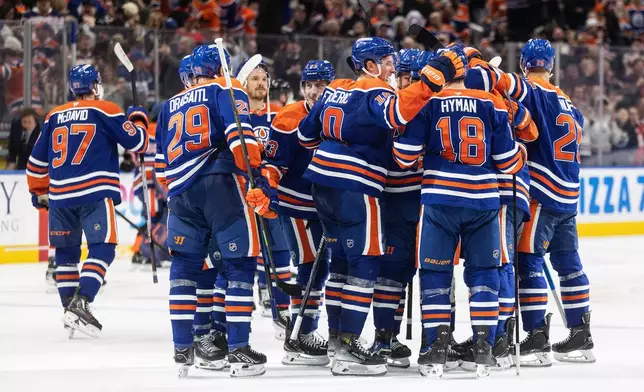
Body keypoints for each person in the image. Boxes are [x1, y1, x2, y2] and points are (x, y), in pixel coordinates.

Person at [292, 37, 465, 376]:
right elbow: (399, 111)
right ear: (371, 66)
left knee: (343, 262)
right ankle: (356, 342)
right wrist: (435, 74)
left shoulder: (335, 92)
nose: (394, 72)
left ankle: (341, 341)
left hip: (327, 184)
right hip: (363, 187)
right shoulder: (381, 93)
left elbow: (304, 136)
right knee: (370, 263)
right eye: (390, 65)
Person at [393, 45, 527, 378]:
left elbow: (404, 156)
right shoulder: (492, 102)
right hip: (484, 201)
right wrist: (521, 152)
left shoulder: (428, 103)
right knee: (484, 273)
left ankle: (437, 346)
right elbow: (508, 162)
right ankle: (483, 346)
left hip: (440, 201)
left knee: (435, 274)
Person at [154, 44, 273, 378]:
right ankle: (237, 349)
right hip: (220, 184)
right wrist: (258, 179)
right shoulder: (227, 87)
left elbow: (162, 164)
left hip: (180, 193)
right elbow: (241, 138)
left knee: (184, 268)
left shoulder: (167, 105)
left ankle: (182, 348)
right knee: (239, 264)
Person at [26, 64, 149, 338]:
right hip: (94, 192)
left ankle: (69, 310)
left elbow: (35, 162)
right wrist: (138, 118)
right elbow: (138, 143)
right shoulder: (106, 108)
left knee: (66, 255)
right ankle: (82, 303)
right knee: (103, 249)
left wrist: (38, 191)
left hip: (60, 196)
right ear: (96, 86)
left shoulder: (53, 115)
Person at [496, 39, 595, 366]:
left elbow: (500, 82)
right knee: (569, 264)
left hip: (541, 192)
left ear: (525, 64)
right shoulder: (571, 105)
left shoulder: (530, 89)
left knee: (528, 260)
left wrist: (487, 69)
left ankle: (537, 338)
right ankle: (581, 335)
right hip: (569, 195)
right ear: (550, 66)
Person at [263, 60, 335, 366]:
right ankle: (301, 335)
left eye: (320, 85)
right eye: (308, 85)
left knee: (327, 269)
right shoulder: (288, 116)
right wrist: (268, 192)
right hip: (297, 205)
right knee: (310, 267)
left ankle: (305, 332)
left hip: (330, 207)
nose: (313, 91)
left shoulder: (340, 113)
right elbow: (273, 164)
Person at [367, 48, 423, 369]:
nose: (409, 81)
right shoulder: (386, 106)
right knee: (390, 271)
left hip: (425, 202)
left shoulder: (433, 107)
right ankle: (383, 336)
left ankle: (420, 337)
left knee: (412, 270)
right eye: (405, 75)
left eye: (414, 76)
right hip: (392, 200)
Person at [239, 58, 292, 337]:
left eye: (264, 79)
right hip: (242, 196)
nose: (260, 83)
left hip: (272, 194)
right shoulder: (236, 117)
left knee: (281, 254)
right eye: (254, 78)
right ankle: (237, 318)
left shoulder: (279, 116)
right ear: (244, 84)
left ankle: (282, 312)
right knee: (243, 255)